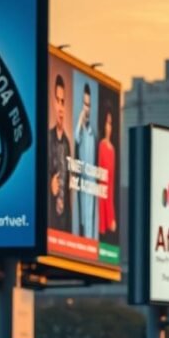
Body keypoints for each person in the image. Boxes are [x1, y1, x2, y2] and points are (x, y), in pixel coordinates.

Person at [48, 75, 72, 232]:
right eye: (58, 100)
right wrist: (50, 186)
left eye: (63, 101)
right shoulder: (47, 140)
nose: (61, 107)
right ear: (53, 103)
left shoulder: (67, 143)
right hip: (49, 224)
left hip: (64, 227)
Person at [74, 84, 97, 239]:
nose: (86, 108)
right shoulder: (80, 131)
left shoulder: (92, 133)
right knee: (82, 221)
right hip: (82, 183)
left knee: (90, 223)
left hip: (92, 184)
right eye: (84, 104)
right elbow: (76, 138)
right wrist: (80, 120)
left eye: (88, 105)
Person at [97, 110, 116, 239]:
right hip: (101, 197)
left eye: (110, 123)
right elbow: (100, 180)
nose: (108, 127)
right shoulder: (101, 146)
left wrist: (112, 216)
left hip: (109, 198)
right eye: (106, 123)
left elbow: (112, 184)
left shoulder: (112, 150)